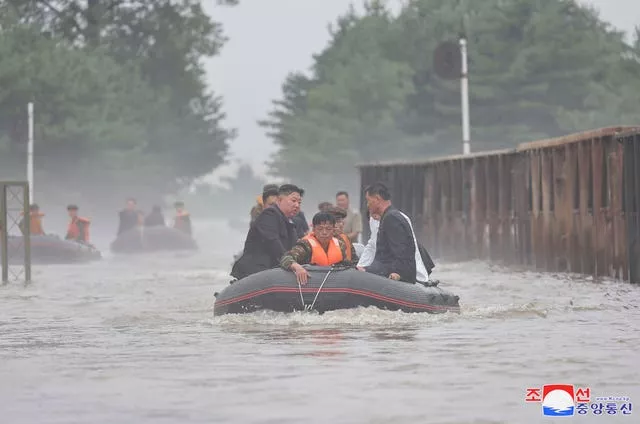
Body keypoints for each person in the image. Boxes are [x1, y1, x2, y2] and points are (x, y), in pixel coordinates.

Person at [356, 182, 428, 283]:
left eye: (368, 201)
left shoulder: (392, 218)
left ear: (377, 199)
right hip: (383, 270)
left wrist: (397, 272)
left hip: (396, 276)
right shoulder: (387, 217)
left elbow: (402, 251)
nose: (367, 205)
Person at [231, 184, 303, 280]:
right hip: (256, 272)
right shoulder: (269, 215)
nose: (297, 205)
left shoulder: (290, 222)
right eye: (293, 201)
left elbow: (296, 247)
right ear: (279, 200)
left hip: (275, 271)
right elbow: (273, 242)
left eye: (299, 202)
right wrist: (291, 263)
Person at [281, 213, 354, 284]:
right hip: (310, 283)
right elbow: (286, 258)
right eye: (320, 229)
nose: (324, 232)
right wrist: (297, 267)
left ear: (333, 230)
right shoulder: (306, 244)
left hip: (333, 283)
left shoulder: (340, 244)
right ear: (314, 230)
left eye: (328, 229)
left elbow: (347, 265)